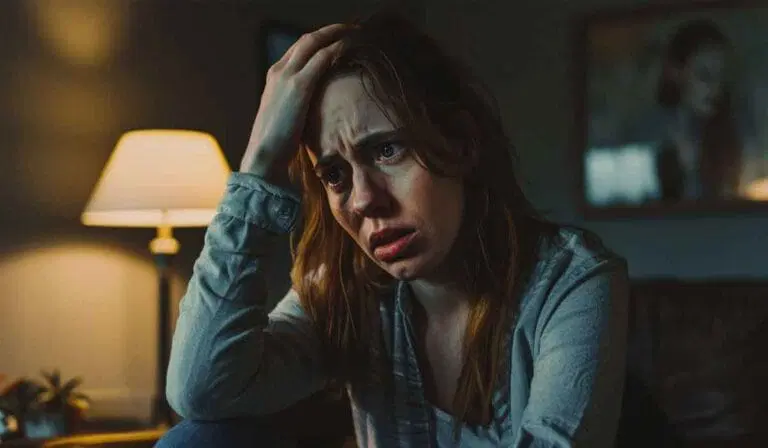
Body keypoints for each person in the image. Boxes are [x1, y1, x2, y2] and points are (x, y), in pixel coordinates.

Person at [158, 11, 629, 447]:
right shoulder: (346, 291)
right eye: (334, 175)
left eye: (387, 151)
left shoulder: (574, 282)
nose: (363, 200)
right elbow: (202, 390)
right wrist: (260, 166)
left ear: (460, 144)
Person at [653, 19, 743, 201]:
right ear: (676, 73)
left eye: (720, 77)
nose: (716, 89)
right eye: (704, 76)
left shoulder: (727, 130)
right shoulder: (654, 132)